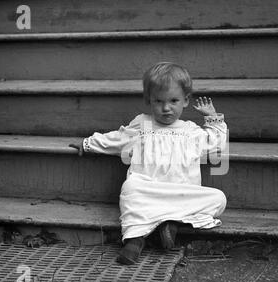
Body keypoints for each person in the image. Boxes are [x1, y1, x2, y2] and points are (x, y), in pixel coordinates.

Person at [70, 62, 227, 265]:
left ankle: (168, 222)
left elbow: (217, 142)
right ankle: (135, 239)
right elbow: (119, 138)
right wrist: (89, 143)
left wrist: (213, 118)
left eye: (173, 100)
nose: (166, 108)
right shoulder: (142, 125)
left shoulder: (192, 131)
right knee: (131, 187)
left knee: (218, 199)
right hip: (148, 191)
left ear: (186, 100)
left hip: (180, 194)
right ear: (149, 101)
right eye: (158, 101)